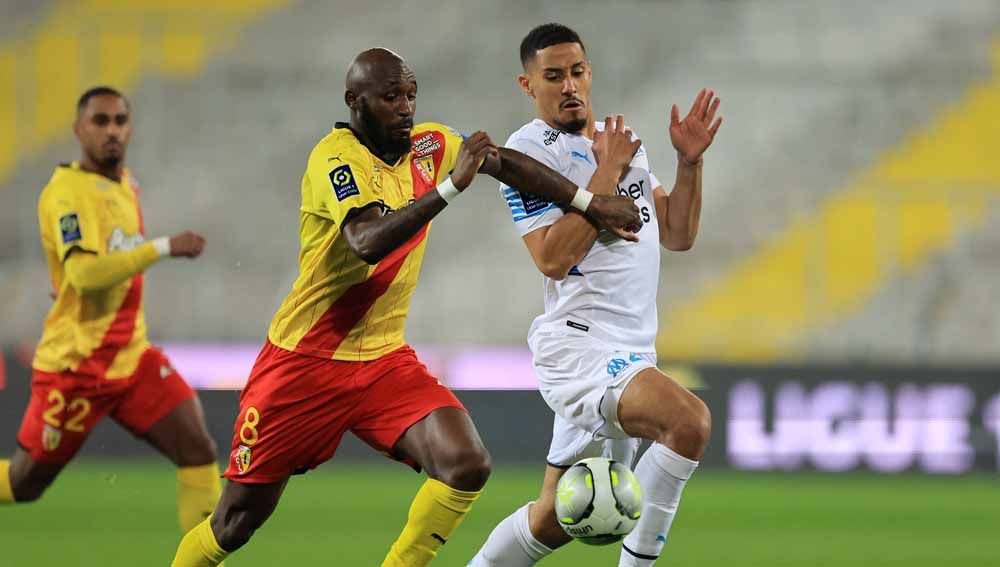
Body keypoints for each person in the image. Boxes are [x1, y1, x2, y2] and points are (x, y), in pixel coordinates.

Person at [170, 47, 641, 567]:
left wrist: (588, 204)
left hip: (383, 361)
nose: (405, 107)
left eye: (410, 95)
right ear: (356, 101)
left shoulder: (430, 144)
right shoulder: (335, 157)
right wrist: (449, 187)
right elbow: (366, 240)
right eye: (390, 97)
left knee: (465, 464)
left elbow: (508, 164)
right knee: (237, 521)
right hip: (305, 359)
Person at [468, 23, 723, 567]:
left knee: (553, 520)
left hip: (631, 350)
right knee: (689, 423)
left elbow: (675, 233)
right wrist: (605, 172)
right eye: (553, 76)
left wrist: (689, 163)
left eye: (577, 72)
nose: (569, 86)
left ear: (590, 73)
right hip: (582, 348)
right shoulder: (529, 150)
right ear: (527, 85)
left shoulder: (620, 136)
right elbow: (553, 258)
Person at [0, 87, 223, 547]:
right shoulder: (66, 193)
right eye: (100, 121)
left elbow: (91, 266)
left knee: (198, 449)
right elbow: (83, 274)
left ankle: (200, 559)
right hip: (76, 367)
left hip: (131, 356)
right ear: (79, 130)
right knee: (25, 484)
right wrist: (163, 247)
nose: (112, 130)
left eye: (120, 120)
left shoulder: (126, 183)